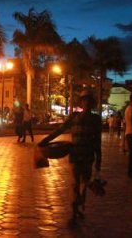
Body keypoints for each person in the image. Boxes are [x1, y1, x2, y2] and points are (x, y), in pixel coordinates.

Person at [38, 90, 101, 227]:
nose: (86, 103)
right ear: (81, 102)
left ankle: (79, 206)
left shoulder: (96, 119)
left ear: (92, 103)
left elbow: (98, 140)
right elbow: (59, 130)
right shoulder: (74, 117)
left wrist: (99, 159)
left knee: (84, 184)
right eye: (84, 100)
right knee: (75, 184)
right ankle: (74, 212)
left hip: (88, 155)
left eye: (89, 101)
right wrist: (45, 141)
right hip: (75, 154)